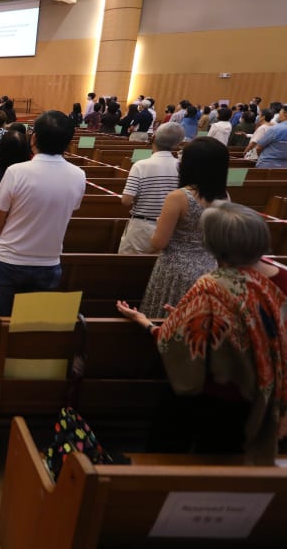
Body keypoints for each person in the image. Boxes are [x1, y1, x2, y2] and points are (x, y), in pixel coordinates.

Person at [117, 203, 287, 464]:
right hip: (270, 390)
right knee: (232, 460)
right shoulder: (283, 276)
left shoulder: (213, 286)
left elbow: (177, 341)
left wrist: (145, 321)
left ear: (214, 246)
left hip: (222, 394)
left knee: (177, 443)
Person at [0, 110, 86, 320]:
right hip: (48, 262)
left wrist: (15, 239)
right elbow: (70, 210)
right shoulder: (79, 175)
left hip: (8, 260)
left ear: (34, 137)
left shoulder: (16, 172)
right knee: (31, 326)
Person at [139, 137, 229, 318]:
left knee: (165, 319)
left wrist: (157, 226)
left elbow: (159, 242)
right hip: (208, 267)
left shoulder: (179, 197)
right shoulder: (224, 196)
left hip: (175, 270)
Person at [118, 123, 184, 254]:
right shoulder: (183, 167)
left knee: (129, 269)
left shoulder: (141, 166)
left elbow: (126, 200)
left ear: (153, 138)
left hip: (141, 226)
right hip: (170, 228)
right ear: (177, 144)